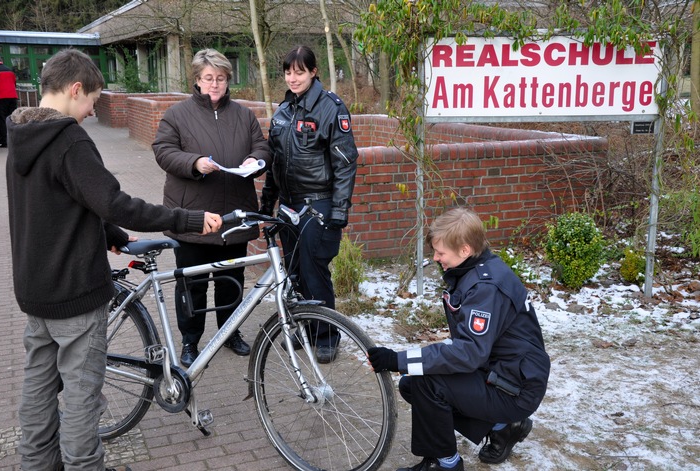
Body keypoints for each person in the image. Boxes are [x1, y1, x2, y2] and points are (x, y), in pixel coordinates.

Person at [5, 49, 223, 471]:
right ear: (75, 89)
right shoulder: (67, 139)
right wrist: (189, 219)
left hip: (34, 291)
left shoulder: (21, 135)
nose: (90, 112)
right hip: (75, 293)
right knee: (83, 401)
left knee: (37, 395)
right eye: (92, 101)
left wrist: (110, 236)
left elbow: (58, 203)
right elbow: (116, 202)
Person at [367, 208, 550, 471]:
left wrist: (399, 359)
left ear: (464, 250)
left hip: (513, 388)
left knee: (426, 385)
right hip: (502, 374)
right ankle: (501, 427)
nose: (435, 257)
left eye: (441, 253)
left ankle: (445, 464)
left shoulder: (485, 287)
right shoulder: (477, 270)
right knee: (412, 386)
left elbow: (468, 353)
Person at [153, 48, 271, 367]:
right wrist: (194, 162)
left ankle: (230, 332)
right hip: (193, 217)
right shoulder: (177, 115)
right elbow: (163, 150)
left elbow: (262, 145)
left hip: (234, 216)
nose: (215, 84)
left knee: (230, 282)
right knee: (191, 286)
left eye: (220, 78)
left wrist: (255, 160)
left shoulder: (244, 115)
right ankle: (190, 342)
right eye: (209, 78)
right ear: (197, 80)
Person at [260, 45, 359, 364]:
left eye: (299, 71)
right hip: (287, 208)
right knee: (294, 274)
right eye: (288, 72)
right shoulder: (283, 111)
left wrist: (339, 212)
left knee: (315, 273)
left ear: (314, 72)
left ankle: (327, 335)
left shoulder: (331, 108)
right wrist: (267, 205)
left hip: (319, 206)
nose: (292, 77)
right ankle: (303, 330)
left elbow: (346, 164)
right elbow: (275, 161)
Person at [0, 55, 18, 148]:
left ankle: (3, 142)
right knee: (11, 119)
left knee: (1, 120)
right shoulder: (10, 71)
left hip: (1, 98)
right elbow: (14, 84)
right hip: (13, 97)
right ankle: (14, 140)